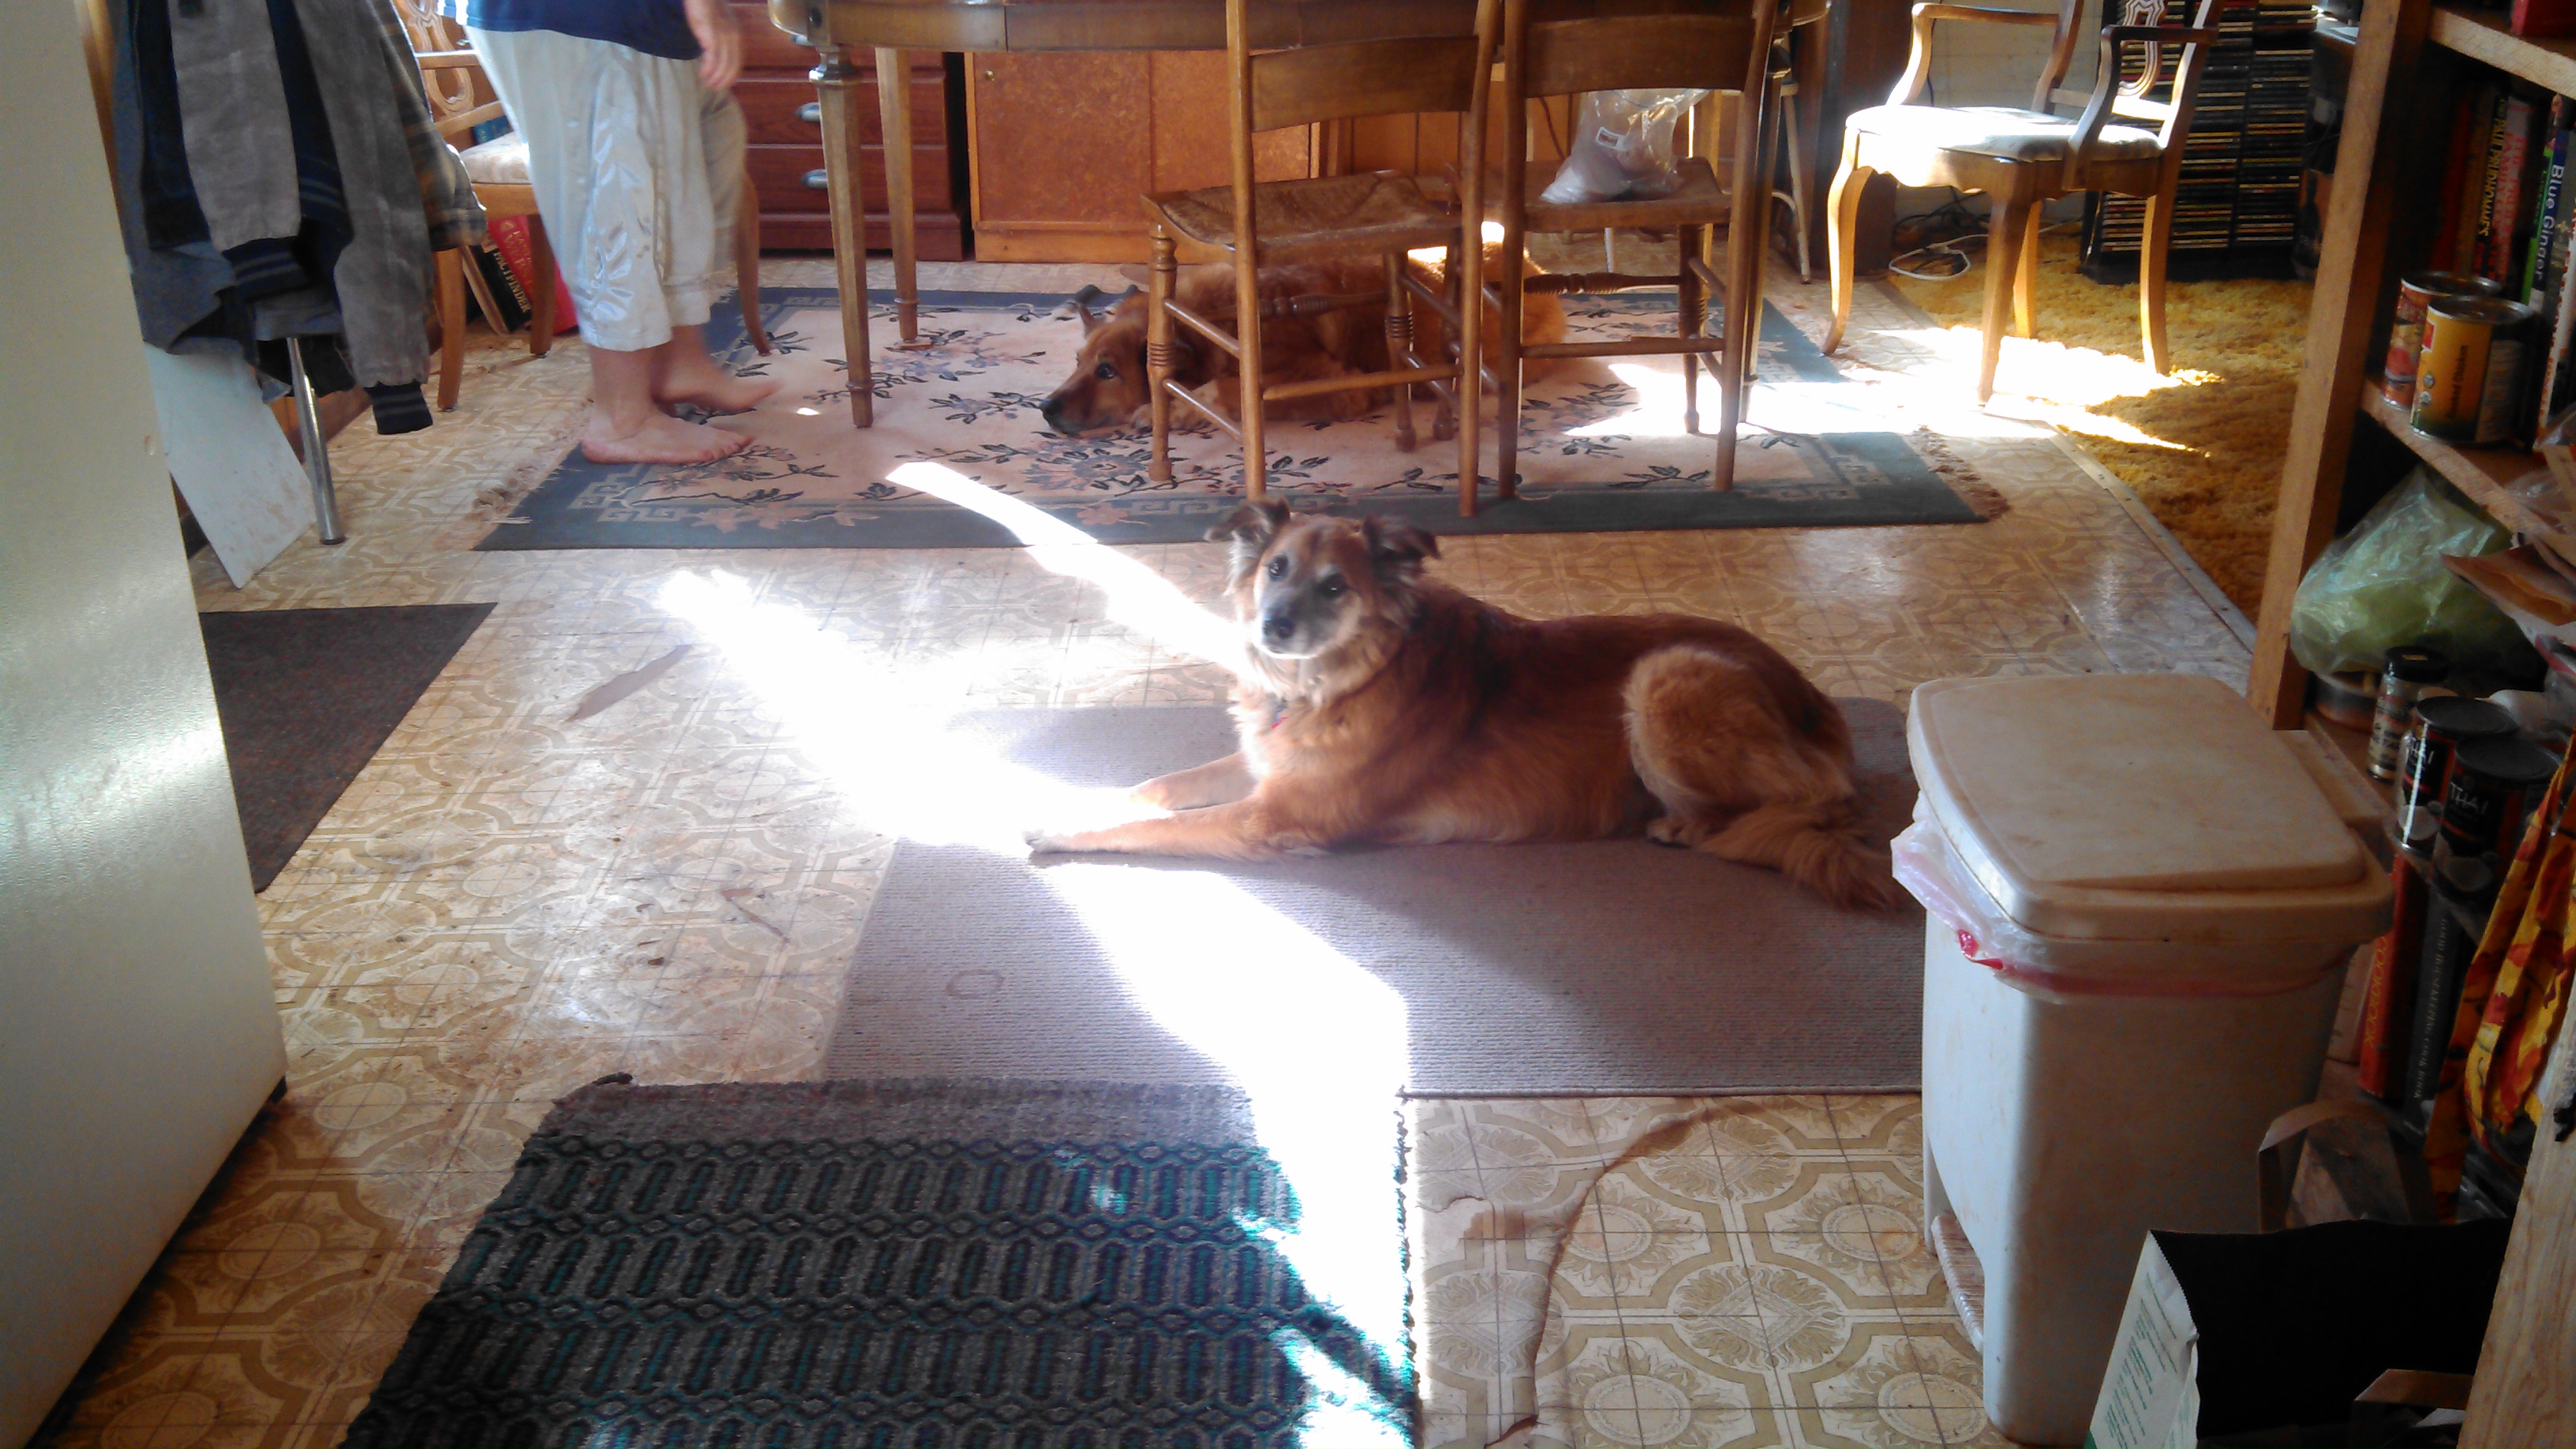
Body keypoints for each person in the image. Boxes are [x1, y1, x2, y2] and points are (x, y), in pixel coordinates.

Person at [440, 0, 778, 462]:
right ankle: (623, 419)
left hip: (641, 18)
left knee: (702, 152)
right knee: (616, 193)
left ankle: (680, 364)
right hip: (581, 17)